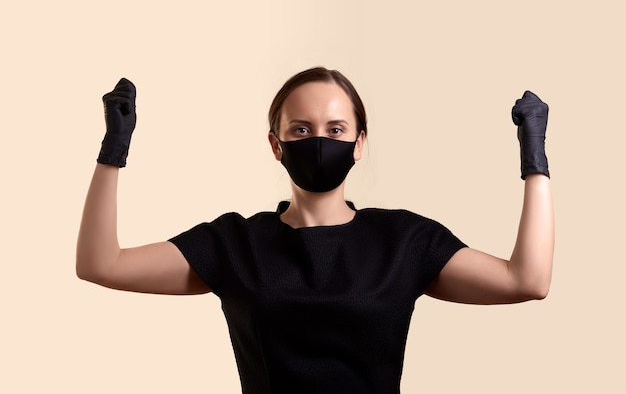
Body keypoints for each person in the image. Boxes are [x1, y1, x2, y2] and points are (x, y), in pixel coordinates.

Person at [76, 67, 554, 393]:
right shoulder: (234, 243)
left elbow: (526, 280)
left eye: (336, 128)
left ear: (360, 142)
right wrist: (112, 150)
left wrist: (535, 159)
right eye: (301, 130)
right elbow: (101, 264)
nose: (320, 141)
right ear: (276, 144)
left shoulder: (404, 242)